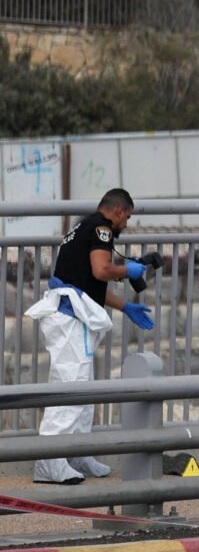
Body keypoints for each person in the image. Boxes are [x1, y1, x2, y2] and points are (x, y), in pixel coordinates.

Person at [26, 188, 155, 484]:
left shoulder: (81, 228)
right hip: (71, 320)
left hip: (72, 314)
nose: (127, 225)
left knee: (82, 391)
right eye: (128, 218)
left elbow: (87, 283)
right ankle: (49, 462)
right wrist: (127, 270)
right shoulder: (102, 229)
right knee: (71, 389)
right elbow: (101, 271)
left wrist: (126, 306)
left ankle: (76, 453)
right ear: (119, 211)